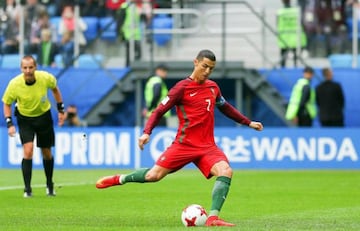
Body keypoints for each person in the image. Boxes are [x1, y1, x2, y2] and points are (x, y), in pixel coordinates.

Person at [96, 49, 264, 227]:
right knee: (153, 176)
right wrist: (147, 132)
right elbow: (159, 110)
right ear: (196, 62)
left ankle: (213, 218)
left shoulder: (213, 87)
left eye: (211, 69)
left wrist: (248, 122)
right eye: (205, 66)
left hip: (207, 147)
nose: (207, 71)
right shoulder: (181, 88)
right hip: (184, 145)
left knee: (226, 171)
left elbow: (225, 107)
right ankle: (119, 179)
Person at [2, 55, 66, 198]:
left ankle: (49, 185)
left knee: (46, 152)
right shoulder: (14, 84)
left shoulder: (45, 78)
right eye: (25, 68)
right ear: (21, 68)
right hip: (25, 119)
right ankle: (27, 189)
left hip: (43, 117)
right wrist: (9, 123)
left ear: (35, 67)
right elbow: (6, 103)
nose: (28, 70)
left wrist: (61, 109)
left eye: (31, 67)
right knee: (28, 150)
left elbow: (55, 89)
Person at [276, 0, 307, 68]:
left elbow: (277, 24)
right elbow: (302, 24)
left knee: (283, 56)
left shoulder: (279, 12)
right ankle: (296, 68)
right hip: (295, 37)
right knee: (296, 56)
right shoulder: (296, 11)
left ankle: (282, 69)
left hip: (284, 37)